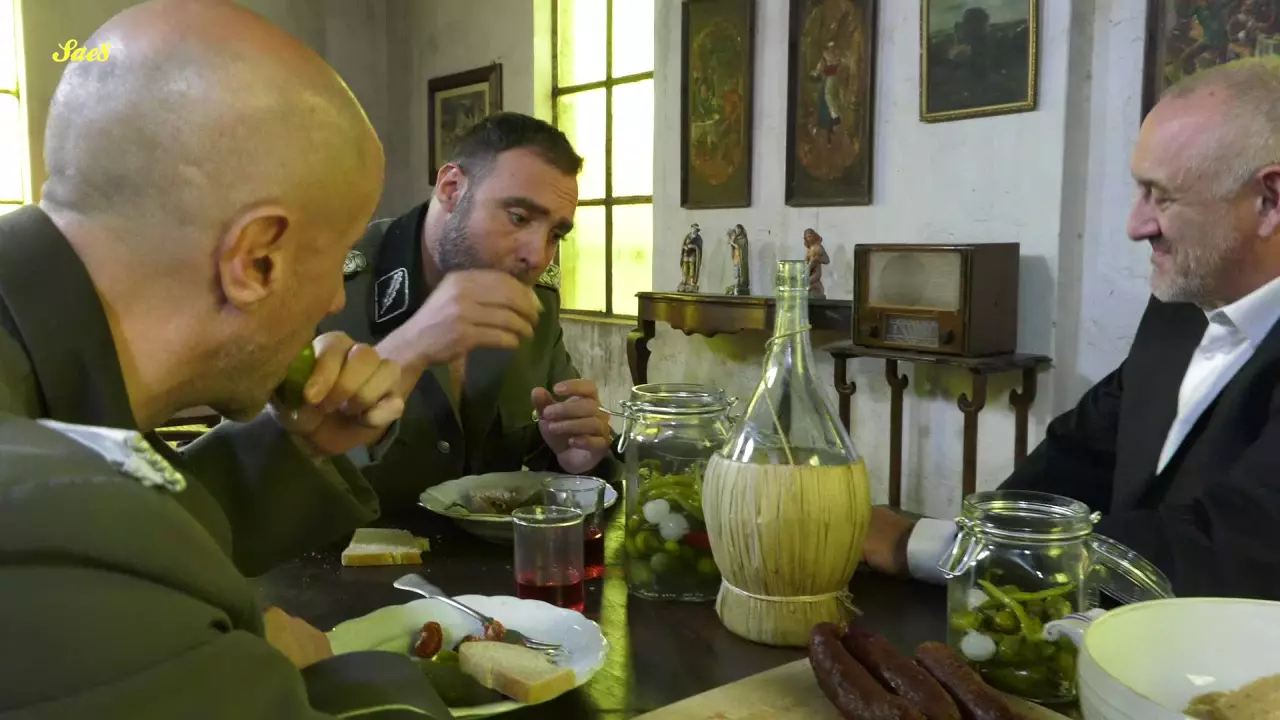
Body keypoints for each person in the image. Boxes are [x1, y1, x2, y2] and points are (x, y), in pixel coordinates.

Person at [0, 2, 449, 717]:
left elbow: (130, 514)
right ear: (257, 259)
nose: (336, 298)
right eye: (338, 258)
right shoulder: (51, 522)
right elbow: (94, 533)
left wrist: (294, 450)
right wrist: (313, 677)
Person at [863, 56, 1280, 601]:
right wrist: (980, 544)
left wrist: (926, 546)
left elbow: (1223, 553)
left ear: (1269, 201)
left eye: (1162, 196)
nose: (1136, 225)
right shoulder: (1179, 308)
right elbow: (1079, 454)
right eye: (1139, 191)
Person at [321, 112, 615, 515]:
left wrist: (576, 460)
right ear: (451, 188)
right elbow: (268, 488)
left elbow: (546, 455)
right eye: (518, 217)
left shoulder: (537, 301)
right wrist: (410, 347)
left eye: (555, 234)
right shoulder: (327, 285)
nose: (537, 255)